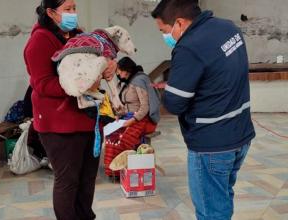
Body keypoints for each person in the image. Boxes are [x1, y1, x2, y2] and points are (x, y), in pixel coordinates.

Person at [151, 0, 255, 219]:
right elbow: (218, 74)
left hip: (212, 145)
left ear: (179, 23)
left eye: (164, 31)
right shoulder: (228, 28)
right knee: (222, 199)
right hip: (240, 134)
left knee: (211, 212)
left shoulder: (189, 47)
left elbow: (175, 104)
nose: (166, 37)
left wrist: (166, 91)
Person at [23, 0, 115, 219]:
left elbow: (97, 61)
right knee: (68, 180)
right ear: (51, 12)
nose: (73, 13)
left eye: (75, 8)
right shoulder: (39, 41)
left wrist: (109, 66)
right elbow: (42, 83)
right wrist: (80, 84)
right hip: (58, 124)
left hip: (87, 117)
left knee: (87, 177)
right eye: (68, 9)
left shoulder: (80, 36)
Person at [104, 57, 160, 177]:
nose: (117, 73)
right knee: (111, 136)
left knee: (122, 139)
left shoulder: (139, 81)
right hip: (129, 117)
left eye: (119, 70)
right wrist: (120, 115)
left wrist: (132, 120)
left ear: (127, 70)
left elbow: (145, 107)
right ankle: (114, 171)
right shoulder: (128, 82)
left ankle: (123, 172)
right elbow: (127, 105)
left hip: (142, 118)